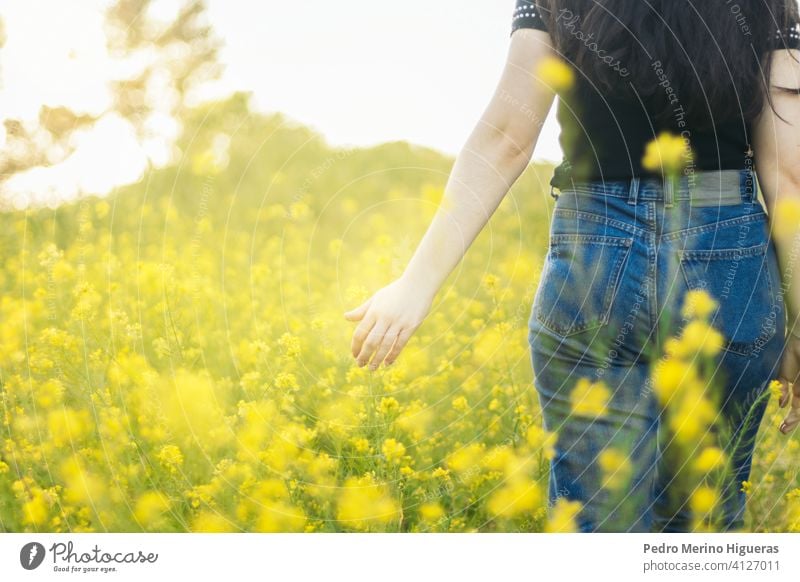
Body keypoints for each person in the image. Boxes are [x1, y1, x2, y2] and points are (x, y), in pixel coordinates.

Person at [344, 0, 800, 532]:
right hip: (728, 261)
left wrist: (415, 284)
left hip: (598, 249)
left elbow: (509, 136)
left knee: (597, 524)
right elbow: (789, 176)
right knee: (702, 528)